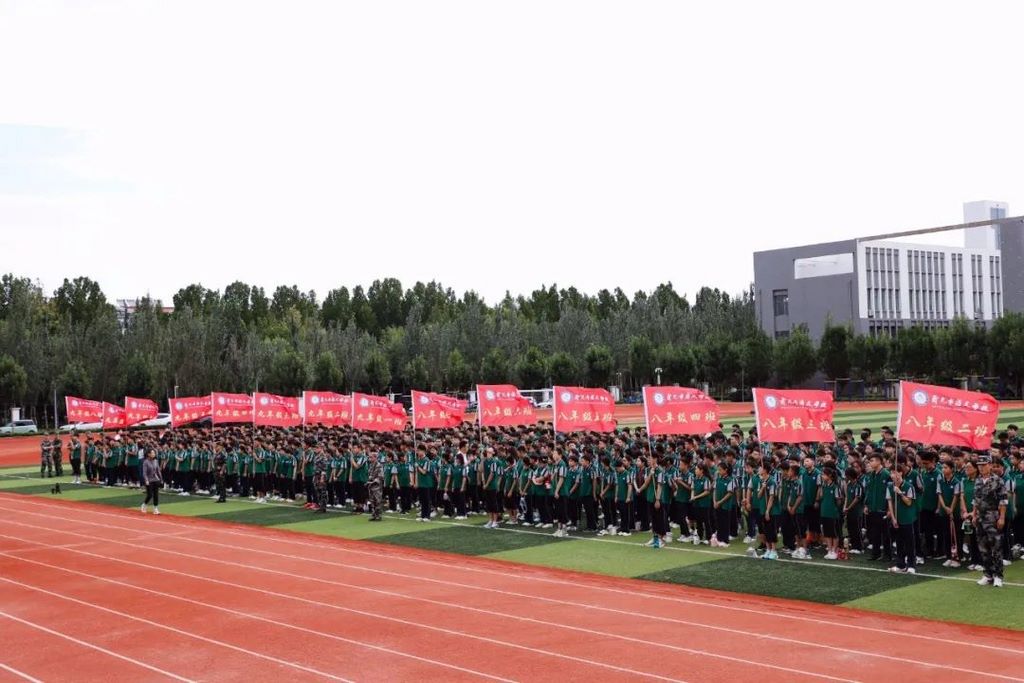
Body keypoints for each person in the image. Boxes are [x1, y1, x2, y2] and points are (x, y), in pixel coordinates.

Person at [973, 454, 1008, 587]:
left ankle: (998, 576)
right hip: (980, 518)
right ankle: (988, 574)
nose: (981, 468)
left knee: (996, 547)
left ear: (989, 465)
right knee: (983, 548)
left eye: (983, 465)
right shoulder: (977, 480)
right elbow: (975, 500)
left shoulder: (998, 481)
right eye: (979, 466)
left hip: (993, 517)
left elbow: (1003, 501)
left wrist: (1002, 517)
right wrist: (974, 515)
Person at [140, 448, 162, 515]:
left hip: (156, 479)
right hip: (149, 480)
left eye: (154, 453)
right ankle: (144, 504)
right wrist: (146, 480)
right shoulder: (145, 462)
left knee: (156, 495)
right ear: (148, 454)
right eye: (152, 453)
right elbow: (144, 473)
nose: (154, 454)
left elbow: (158, 471)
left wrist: (161, 479)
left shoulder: (156, 461)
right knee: (150, 495)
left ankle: (155, 508)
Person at [367, 450, 384, 521]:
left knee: (378, 500)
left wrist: (373, 481)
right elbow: (369, 474)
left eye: (371, 457)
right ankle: (373, 515)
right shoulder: (371, 465)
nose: (369, 458)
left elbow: (381, 476)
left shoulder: (379, 465)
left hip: (377, 486)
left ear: (375, 457)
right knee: (372, 501)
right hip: (371, 485)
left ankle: (378, 515)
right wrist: (369, 479)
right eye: (369, 457)